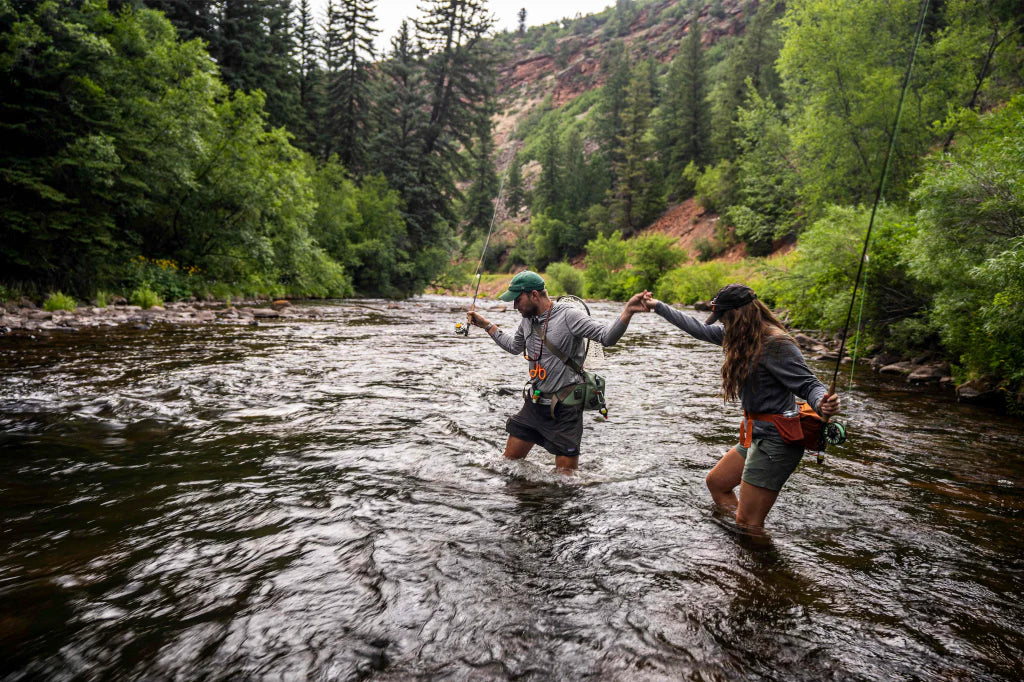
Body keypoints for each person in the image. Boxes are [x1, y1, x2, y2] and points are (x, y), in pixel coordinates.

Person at [643, 284, 840, 528]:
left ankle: (756, 551)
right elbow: (697, 329)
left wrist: (822, 403)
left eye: (724, 318)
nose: (722, 324)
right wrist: (658, 307)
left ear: (739, 315)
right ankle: (740, 538)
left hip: (777, 440)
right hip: (756, 434)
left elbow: (809, 384)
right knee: (717, 483)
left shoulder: (776, 343)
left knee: (748, 522)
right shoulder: (742, 336)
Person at [467, 271, 648, 473]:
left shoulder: (569, 315)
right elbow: (514, 347)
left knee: (565, 482)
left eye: (518, 300)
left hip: (565, 409)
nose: (515, 306)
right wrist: (486, 325)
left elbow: (607, 337)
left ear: (534, 295)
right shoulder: (528, 319)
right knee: (506, 466)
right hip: (534, 404)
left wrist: (628, 312)